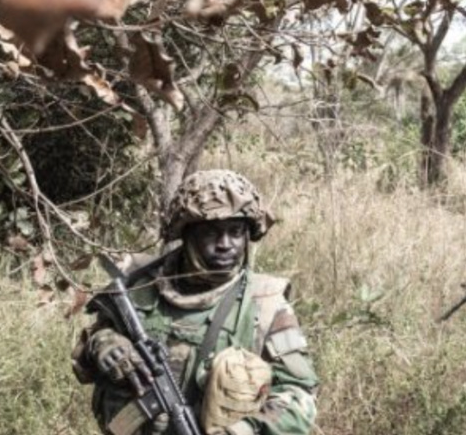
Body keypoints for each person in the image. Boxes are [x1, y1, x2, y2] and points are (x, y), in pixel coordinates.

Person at [71, 169, 319, 435]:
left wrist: (242, 432)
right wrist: (105, 344)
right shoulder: (141, 287)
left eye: (235, 232)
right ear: (188, 235)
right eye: (211, 233)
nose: (226, 244)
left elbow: (299, 396)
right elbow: (85, 358)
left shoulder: (266, 302)